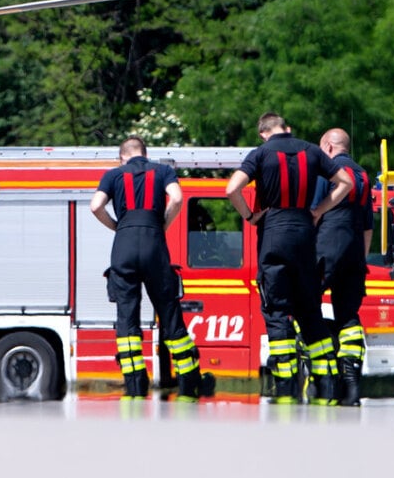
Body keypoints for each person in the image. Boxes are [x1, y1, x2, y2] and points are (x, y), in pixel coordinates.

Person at [226, 113, 353, 404]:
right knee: (310, 311)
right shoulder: (311, 150)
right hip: (305, 234)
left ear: (263, 134)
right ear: (288, 128)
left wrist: (249, 216)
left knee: (277, 311)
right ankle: (326, 384)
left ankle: (286, 387)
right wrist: (318, 211)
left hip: (274, 233)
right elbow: (344, 182)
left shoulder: (259, 154)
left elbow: (232, 188)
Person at [90, 136, 209, 401]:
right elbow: (177, 199)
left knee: (127, 316)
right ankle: (188, 380)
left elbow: (95, 206)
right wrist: (162, 225)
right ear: (145, 153)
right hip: (155, 243)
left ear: (122, 156)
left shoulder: (112, 174)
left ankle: (135, 383)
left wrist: (117, 226)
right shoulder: (163, 170)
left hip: (124, 247)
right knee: (169, 312)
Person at [312, 128, 374, 406]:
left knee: (307, 304)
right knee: (348, 315)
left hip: (327, 244)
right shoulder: (363, 175)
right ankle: (351, 384)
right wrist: (361, 260)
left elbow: (314, 212)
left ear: (326, 145)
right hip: (354, 252)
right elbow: (368, 226)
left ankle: (322, 377)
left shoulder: (327, 169)